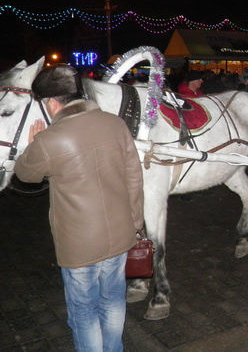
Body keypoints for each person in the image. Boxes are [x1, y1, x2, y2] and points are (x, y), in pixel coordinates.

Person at [14, 65, 144, 351]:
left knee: (84, 310)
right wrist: (135, 222)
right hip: (121, 233)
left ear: (51, 102)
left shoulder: (50, 139)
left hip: (79, 244)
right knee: (112, 300)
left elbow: (25, 174)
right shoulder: (115, 123)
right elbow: (134, 176)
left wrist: (32, 143)